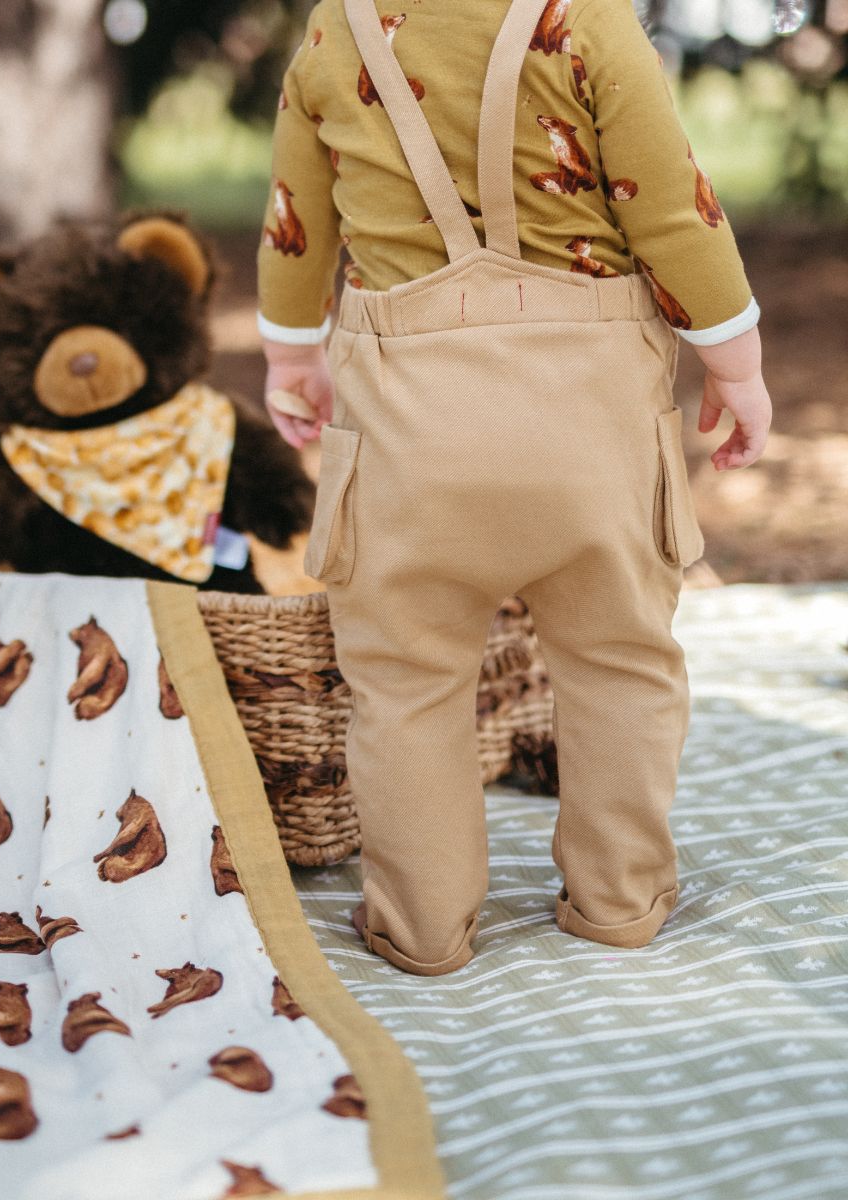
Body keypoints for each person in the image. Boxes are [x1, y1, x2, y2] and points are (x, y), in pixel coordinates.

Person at [256, 0, 772, 976]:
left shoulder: (340, 28)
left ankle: (422, 927)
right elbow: (669, 203)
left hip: (411, 439)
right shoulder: (585, 20)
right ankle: (620, 900)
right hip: (589, 432)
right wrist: (735, 366)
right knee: (620, 662)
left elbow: (298, 214)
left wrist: (294, 357)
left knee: (405, 685)